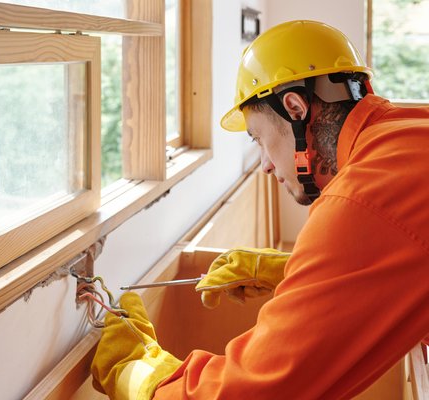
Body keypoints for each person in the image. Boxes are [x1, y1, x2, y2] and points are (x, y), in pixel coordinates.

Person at [91, 20, 429, 399]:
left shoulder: (364, 199)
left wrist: (139, 377)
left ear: (295, 108)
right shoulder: (408, 136)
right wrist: (294, 271)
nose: (266, 165)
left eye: (260, 140)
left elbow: (252, 391)